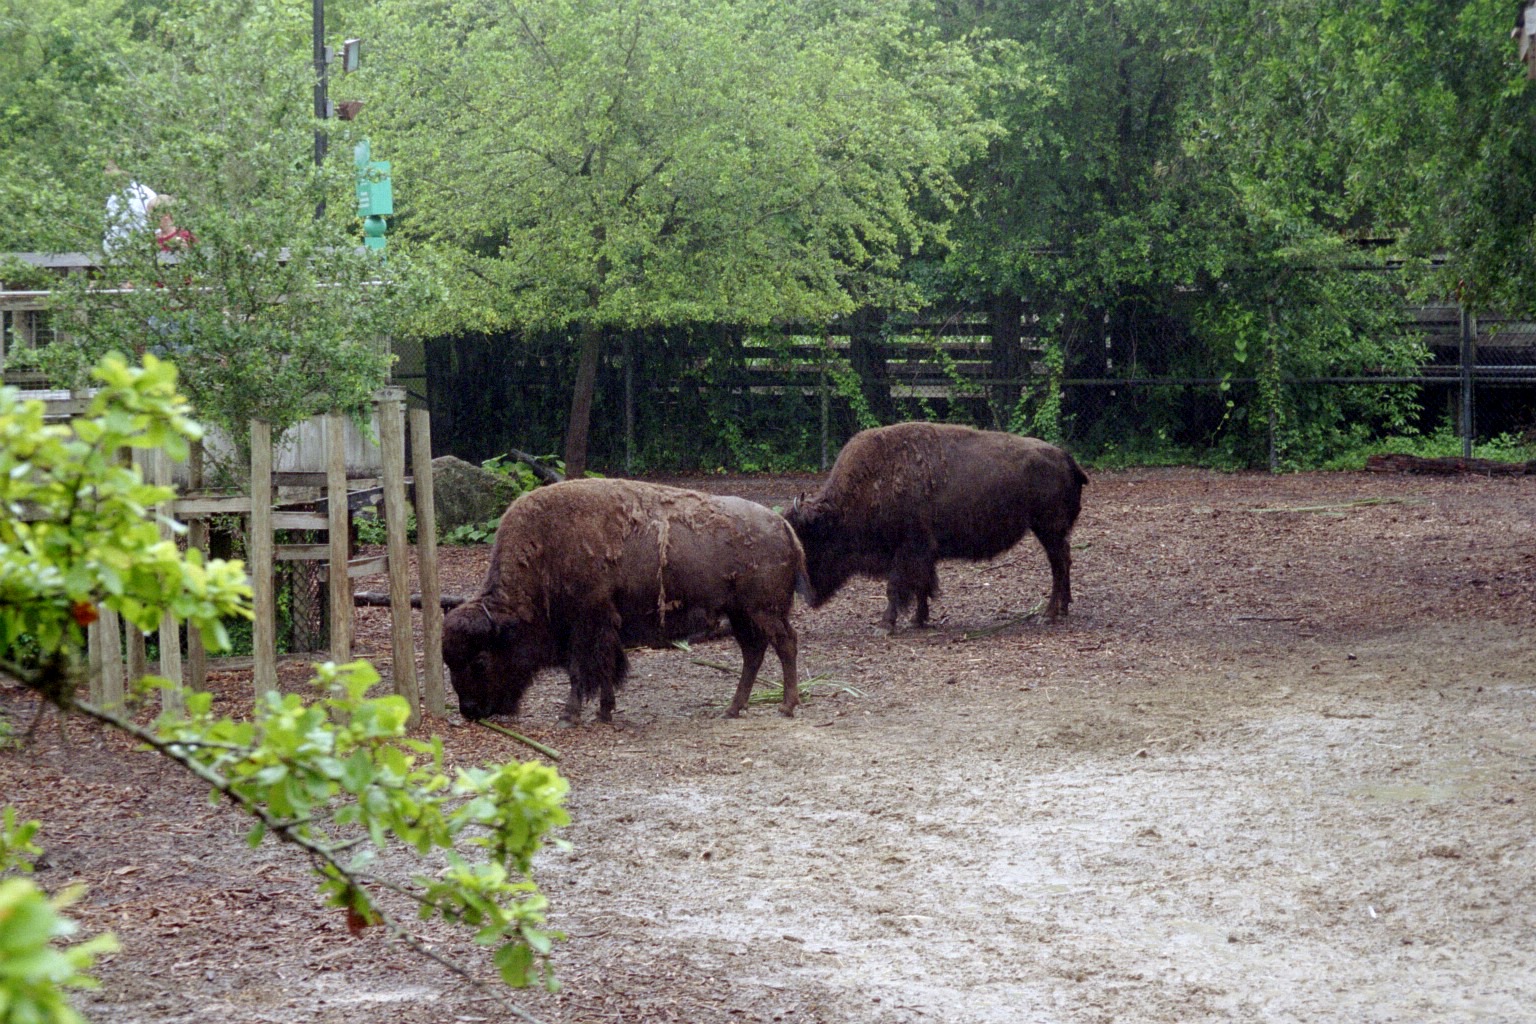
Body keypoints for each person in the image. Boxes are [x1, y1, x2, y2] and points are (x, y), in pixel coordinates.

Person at [103, 159, 158, 254]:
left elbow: (156, 227)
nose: (106, 174)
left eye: (109, 170)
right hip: (115, 256)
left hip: (140, 254)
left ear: (123, 170)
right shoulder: (113, 197)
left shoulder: (144, 194)